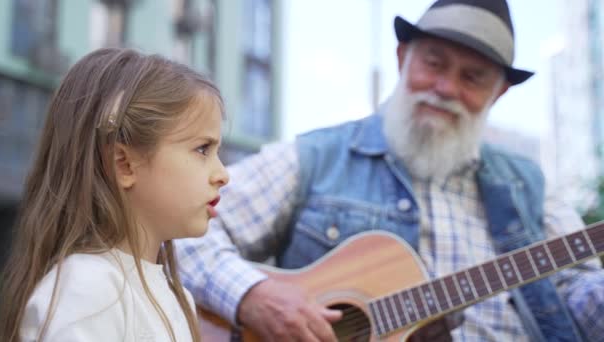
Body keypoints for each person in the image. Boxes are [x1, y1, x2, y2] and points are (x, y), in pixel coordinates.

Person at [176, 0, 604, 341]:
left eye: (472, 78)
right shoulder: (316, 157)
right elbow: (179, 226)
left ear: (499, 93)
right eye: (434, 64)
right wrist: (251, 296)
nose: (446, 88)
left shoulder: (531, 187)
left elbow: (578, 300)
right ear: (403, 57)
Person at [0, 48, 229, 342]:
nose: (223, 174)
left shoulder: (175, 296)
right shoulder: (88, 289)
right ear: (124, 163)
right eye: (202, 149)